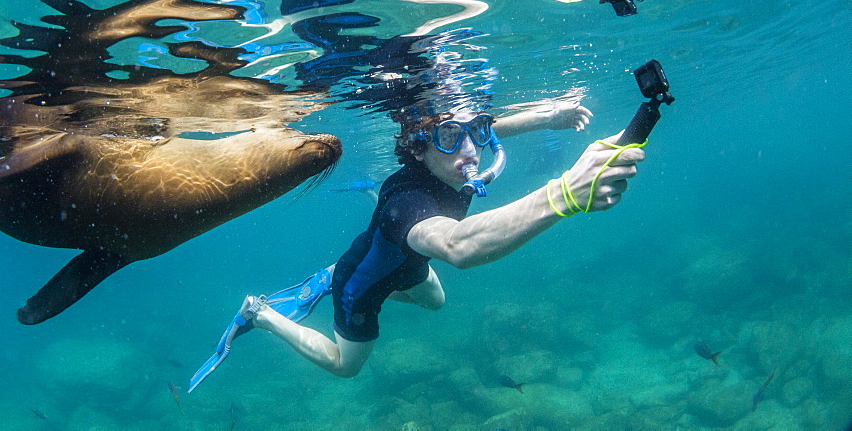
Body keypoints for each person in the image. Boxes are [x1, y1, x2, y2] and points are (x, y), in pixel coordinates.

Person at [189, 99, 646, 389]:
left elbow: (481, 131)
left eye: (475, 133)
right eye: (450, 138)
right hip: (362, 286)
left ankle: (347, 269)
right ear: (418, 149)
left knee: (437, 303)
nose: (470, 150)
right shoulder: (408, 203)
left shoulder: (451, 153)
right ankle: (262, 314)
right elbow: (458, 247)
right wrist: (565, 194)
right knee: (345, 366)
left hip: (405, 265)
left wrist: (549, 117)